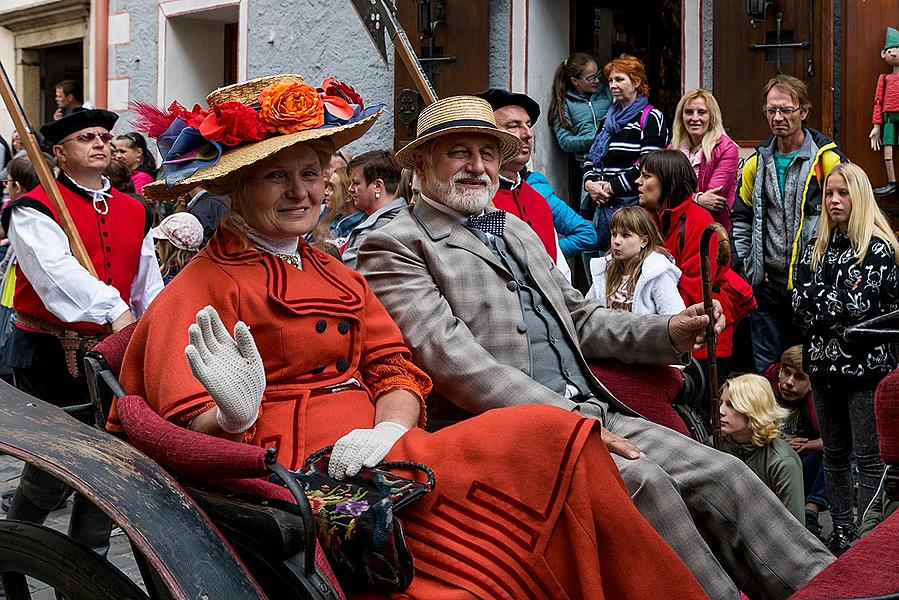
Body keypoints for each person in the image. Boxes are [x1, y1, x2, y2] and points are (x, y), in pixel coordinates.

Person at [105, 74, 709, 600]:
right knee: (551, 440)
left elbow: (394, 366)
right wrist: (231, 417)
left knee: (556, 433)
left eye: (312, 174)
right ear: (235, 190)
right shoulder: (197, 287)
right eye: (276, 177)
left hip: (387, 453)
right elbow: (179, 427)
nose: (300, 192)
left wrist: (388, 426)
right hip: (289, 478)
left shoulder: (335, 272)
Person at [358, 95, 833, 600]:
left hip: (597, 409)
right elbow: (455, 362)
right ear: (422, 162)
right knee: (650, 489)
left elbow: (579, 318)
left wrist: (668, 331)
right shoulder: (395, 244)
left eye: (488, 153)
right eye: (459, 153)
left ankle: (835, 588)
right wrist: (567, 421)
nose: (478, 167)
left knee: (725, 472)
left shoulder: (515, 229)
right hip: (509, 434)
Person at [1, 108, 163, 552]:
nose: (100, 143)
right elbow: (55, 277)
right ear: (59, 152)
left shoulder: (135, 209)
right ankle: (10, 552)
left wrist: (154, 329)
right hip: (52, 354)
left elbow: (148, 284)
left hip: (114, 351)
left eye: (104, 136)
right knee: (56, 465)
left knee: (111, 457)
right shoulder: (32, 209)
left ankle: (91, 569)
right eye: (85, 137)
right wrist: (114, 309)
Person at [792, 162, 899, 554]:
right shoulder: (812, 246)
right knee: (834, 455)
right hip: (822, 365)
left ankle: (867, 536)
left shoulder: (880, 248)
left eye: (843, 193)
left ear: (860, 196)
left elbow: (859, 305)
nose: (834, 201)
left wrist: (821, 300)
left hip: (866, 368)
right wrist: (829, 304)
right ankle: (840, 530)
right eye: (829, 194)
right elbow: (797, 303)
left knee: (869, 457)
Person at [732, 74, 848, 373]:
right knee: (767, 373)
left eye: (786, 109)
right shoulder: (757, 163)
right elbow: (742, 216)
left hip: (812, 284)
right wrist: (748, 264)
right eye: (771, 110)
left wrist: (828, 272)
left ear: (804, 112)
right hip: (768, 285)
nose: (778, 117)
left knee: (809, 371)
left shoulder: (827, 161)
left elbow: (847, 218)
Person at [636, 149, 755, 379]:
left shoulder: (699, 221)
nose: (638, 182)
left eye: (646, 175)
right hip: (664, 336)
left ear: (668, 180)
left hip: (701, 344)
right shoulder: (646, 218)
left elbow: (694, 294)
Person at [582, 54, 667, 255]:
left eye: (619, 79)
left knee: (622, 269)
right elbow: (590, 159)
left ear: (636, 82)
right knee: (596, 266)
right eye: (610, 80)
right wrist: (590, 184)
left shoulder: (650, 116)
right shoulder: (607, 120)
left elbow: (650, 163)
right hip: (600, 206)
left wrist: (613, 186)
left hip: (630, 209)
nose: (613, 85)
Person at [475, 89, 559, 262]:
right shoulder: (474, 201)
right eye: (513, 126)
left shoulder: (538, 201)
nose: (527, 134)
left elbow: (559, 269)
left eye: (528, 125)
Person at [762, 345, 829, 536]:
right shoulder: (765, 392)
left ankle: (811, 511)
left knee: (832, 454)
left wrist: (811, 445)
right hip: (770, 466)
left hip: (804, 464)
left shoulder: (820, 401)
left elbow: (839, 440)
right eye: (786, 373)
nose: (789, 382)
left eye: (799, 377)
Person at [719, 373, 805, 522]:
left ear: (753, 410)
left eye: (731, 405)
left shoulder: (782, 461)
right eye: (721, 403)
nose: (721, 411)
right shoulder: (714, 445)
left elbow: (796, 527)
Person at [585, 206, 684, 316]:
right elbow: (588, 312)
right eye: (614, 234)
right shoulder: (605, 270)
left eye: (625, 235)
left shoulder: (656, 274)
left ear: (644, 241)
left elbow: (675, 318)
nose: (616, 241)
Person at [669, 88, 739, 232]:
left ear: (711, 117)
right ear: (681, 117)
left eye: (701, 112)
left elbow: (714, 199)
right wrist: (697, 199)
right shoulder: (672, 148)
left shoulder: (727, 148)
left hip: (711, 229)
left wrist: (679, 198)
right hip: (675, 228)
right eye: (689, 112)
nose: (695, 118)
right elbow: (665, 192)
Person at [342, 150, 407, 269]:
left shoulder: (375, 232)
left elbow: (346, 274)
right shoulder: (401, 217)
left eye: (356, 183)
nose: (350, 189)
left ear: (377, 186)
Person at [549, 51, 613, 166]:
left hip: (615, 159)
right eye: (591, 78)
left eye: (598, 75)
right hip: (588, 164)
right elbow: (565, 142)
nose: (597, 80)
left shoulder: (607, 93)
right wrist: (596, 138)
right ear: (575, 81)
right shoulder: (564, 103)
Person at [151, 212, 203, 283]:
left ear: (171, 248)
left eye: (160, 242)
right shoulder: (198, 270)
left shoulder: (170, 281)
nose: (156, 247)